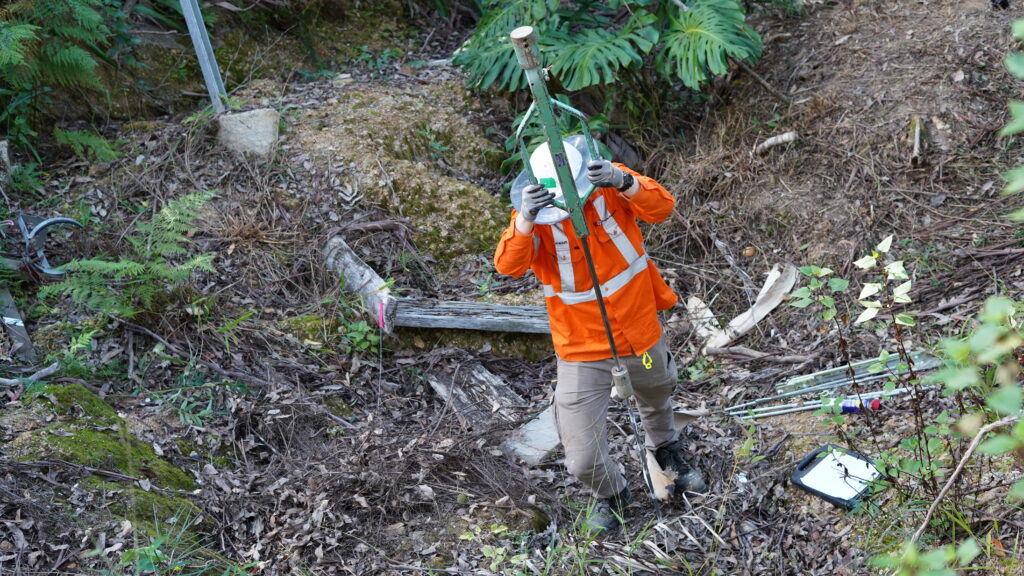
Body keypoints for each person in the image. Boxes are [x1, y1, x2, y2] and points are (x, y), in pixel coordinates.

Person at [493, 144, 706, 535]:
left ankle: (667, 455)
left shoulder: (607, 183)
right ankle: (612, 494)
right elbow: (508, 266)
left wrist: (623, 180)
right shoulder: (533, 218)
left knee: (657, 396)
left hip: (638, 334)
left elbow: (661, 208)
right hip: (582, 349)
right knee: (582, 458)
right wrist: (524, 219)